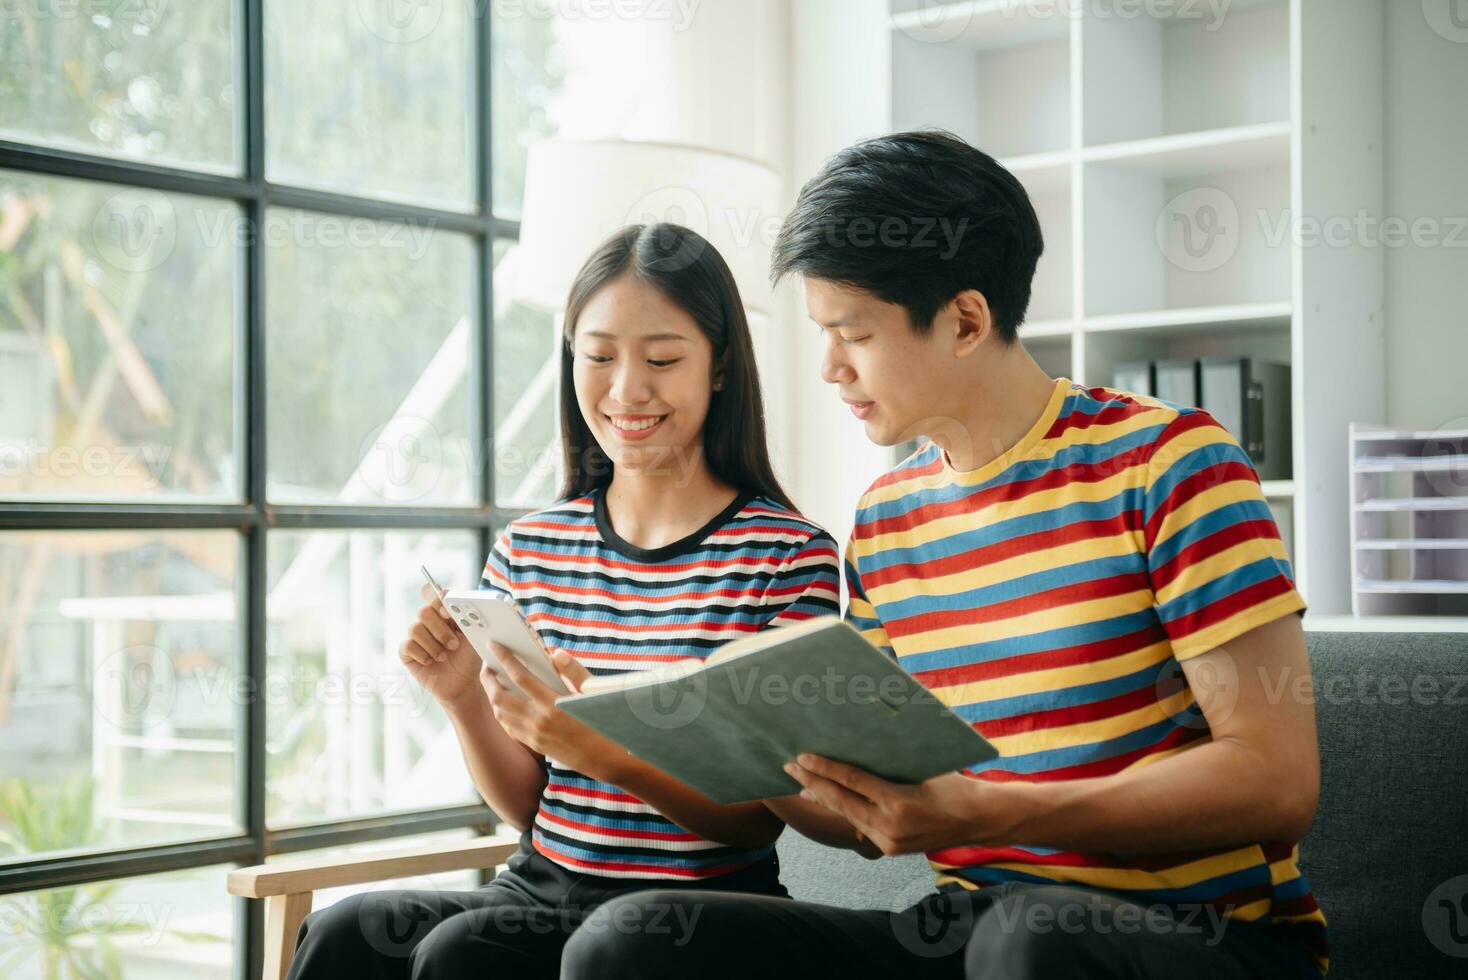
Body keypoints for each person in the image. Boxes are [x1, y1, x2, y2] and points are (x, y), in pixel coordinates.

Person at [561, 132, 1328, 979]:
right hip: (970, 928)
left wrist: (990, 814)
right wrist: (737, 748)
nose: (829, 368)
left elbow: (1275, 780)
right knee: (627, 940)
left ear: (965, 320)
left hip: (1202, 938)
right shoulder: (887, 522)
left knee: (1026, 939)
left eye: (851, 334)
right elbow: (859, 823)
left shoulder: (1170, 463)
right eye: (822, 334)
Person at [285, 223, 840, 980]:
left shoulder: (786, 556)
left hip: (695, 911)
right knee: (347, 929)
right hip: (541, 889)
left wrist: (603, 750)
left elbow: (749, 820)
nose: (626, 390)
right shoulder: (531, 547)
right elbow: (534, 809)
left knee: (461, 955)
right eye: (600, 357)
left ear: (718, 368)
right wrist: (463, 701)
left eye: (663, 359)